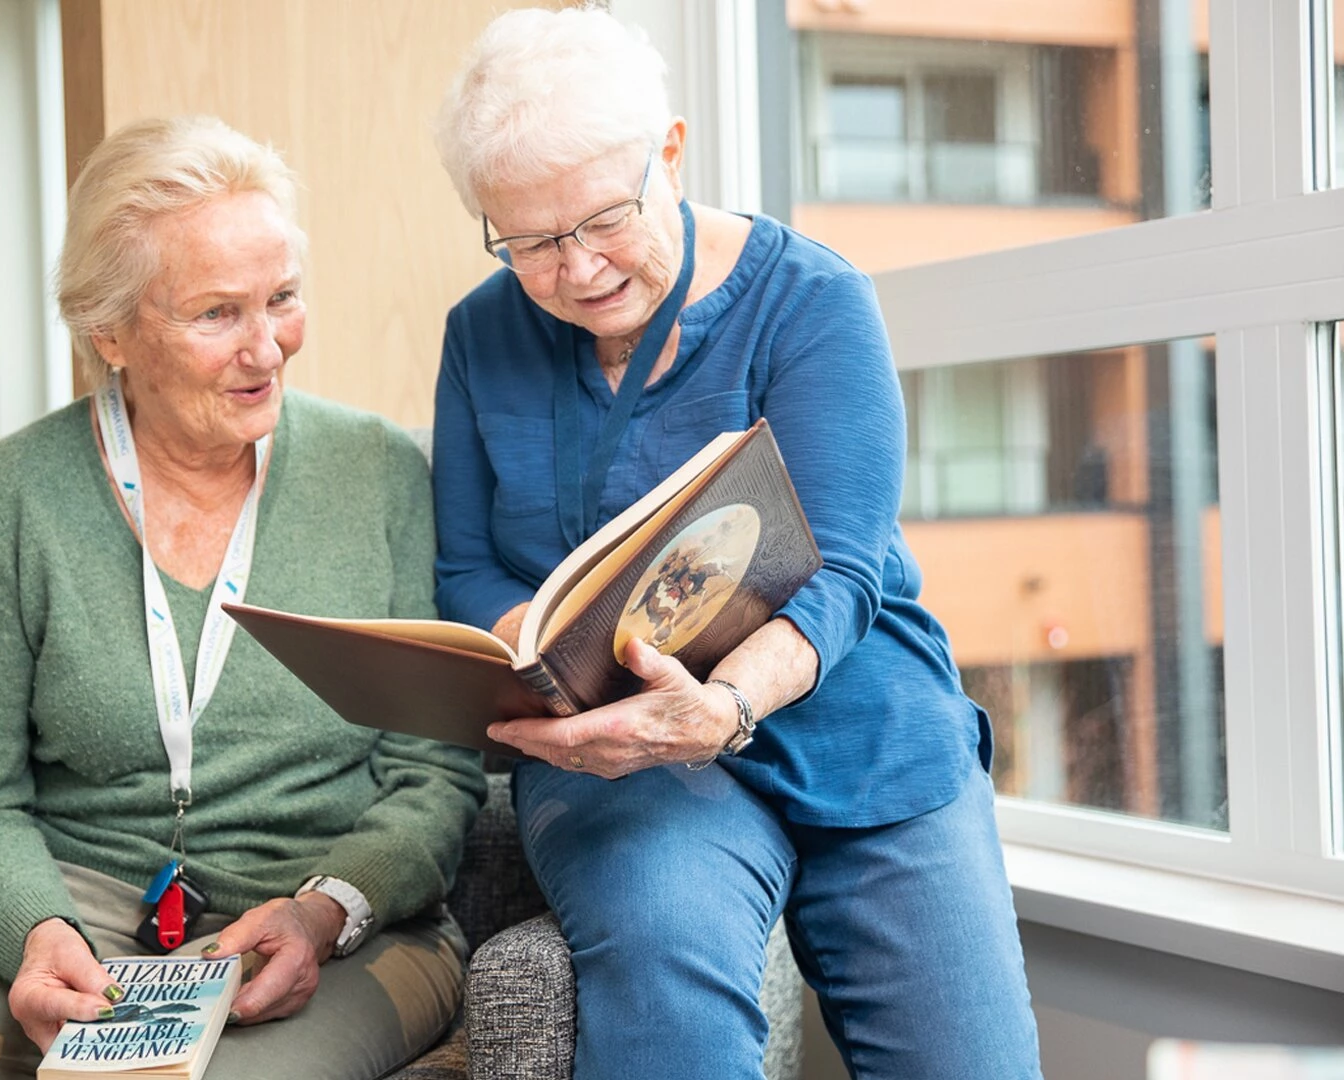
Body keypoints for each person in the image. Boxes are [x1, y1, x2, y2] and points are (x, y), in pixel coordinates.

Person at [429, 7, 1042, 1079]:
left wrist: (727, 707)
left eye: (604, 219)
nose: (576, 269)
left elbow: (843, 572)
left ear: (669, 152)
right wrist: (537, 644)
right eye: (529, 241)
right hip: (621, 751)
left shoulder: (814, 300)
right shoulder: (479, 334)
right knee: (669, 1003)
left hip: (860, 716)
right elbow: (467, 565)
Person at [0, 115, 486, 1080]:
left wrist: (324, 909)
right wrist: (35, 932)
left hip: (321, 913)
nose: (267, 349)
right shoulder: (17, 493)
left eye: (283, 298)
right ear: (113, 334)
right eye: (218, 313)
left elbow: (434, 777)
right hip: (69, 895)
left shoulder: (380, 473)